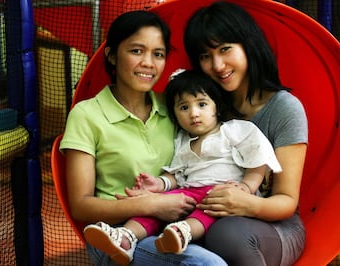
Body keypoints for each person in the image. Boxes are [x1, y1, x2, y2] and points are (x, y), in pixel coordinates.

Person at [59, 10, 227, 266]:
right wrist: (153, 205)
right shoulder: (86, 114)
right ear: (112, 55)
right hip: (116, 235)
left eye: (157, 54)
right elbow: (81, 206)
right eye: (137, 51)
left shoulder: (174, 107)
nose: (149, 63)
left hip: (178, 224)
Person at [83, 69, 282, 265]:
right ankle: (125, 237)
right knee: (153, 206)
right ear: (175, 114)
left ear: (217, 107)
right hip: (186, 193)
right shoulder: (182, 141)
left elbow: (258, 158)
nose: (194, 113)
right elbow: (177, 175)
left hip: (221, 193)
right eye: (184, 108)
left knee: (207, 210)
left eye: (202, 104)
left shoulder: (233, 130)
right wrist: (159, 184)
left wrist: (247, 186)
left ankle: (181, 233)